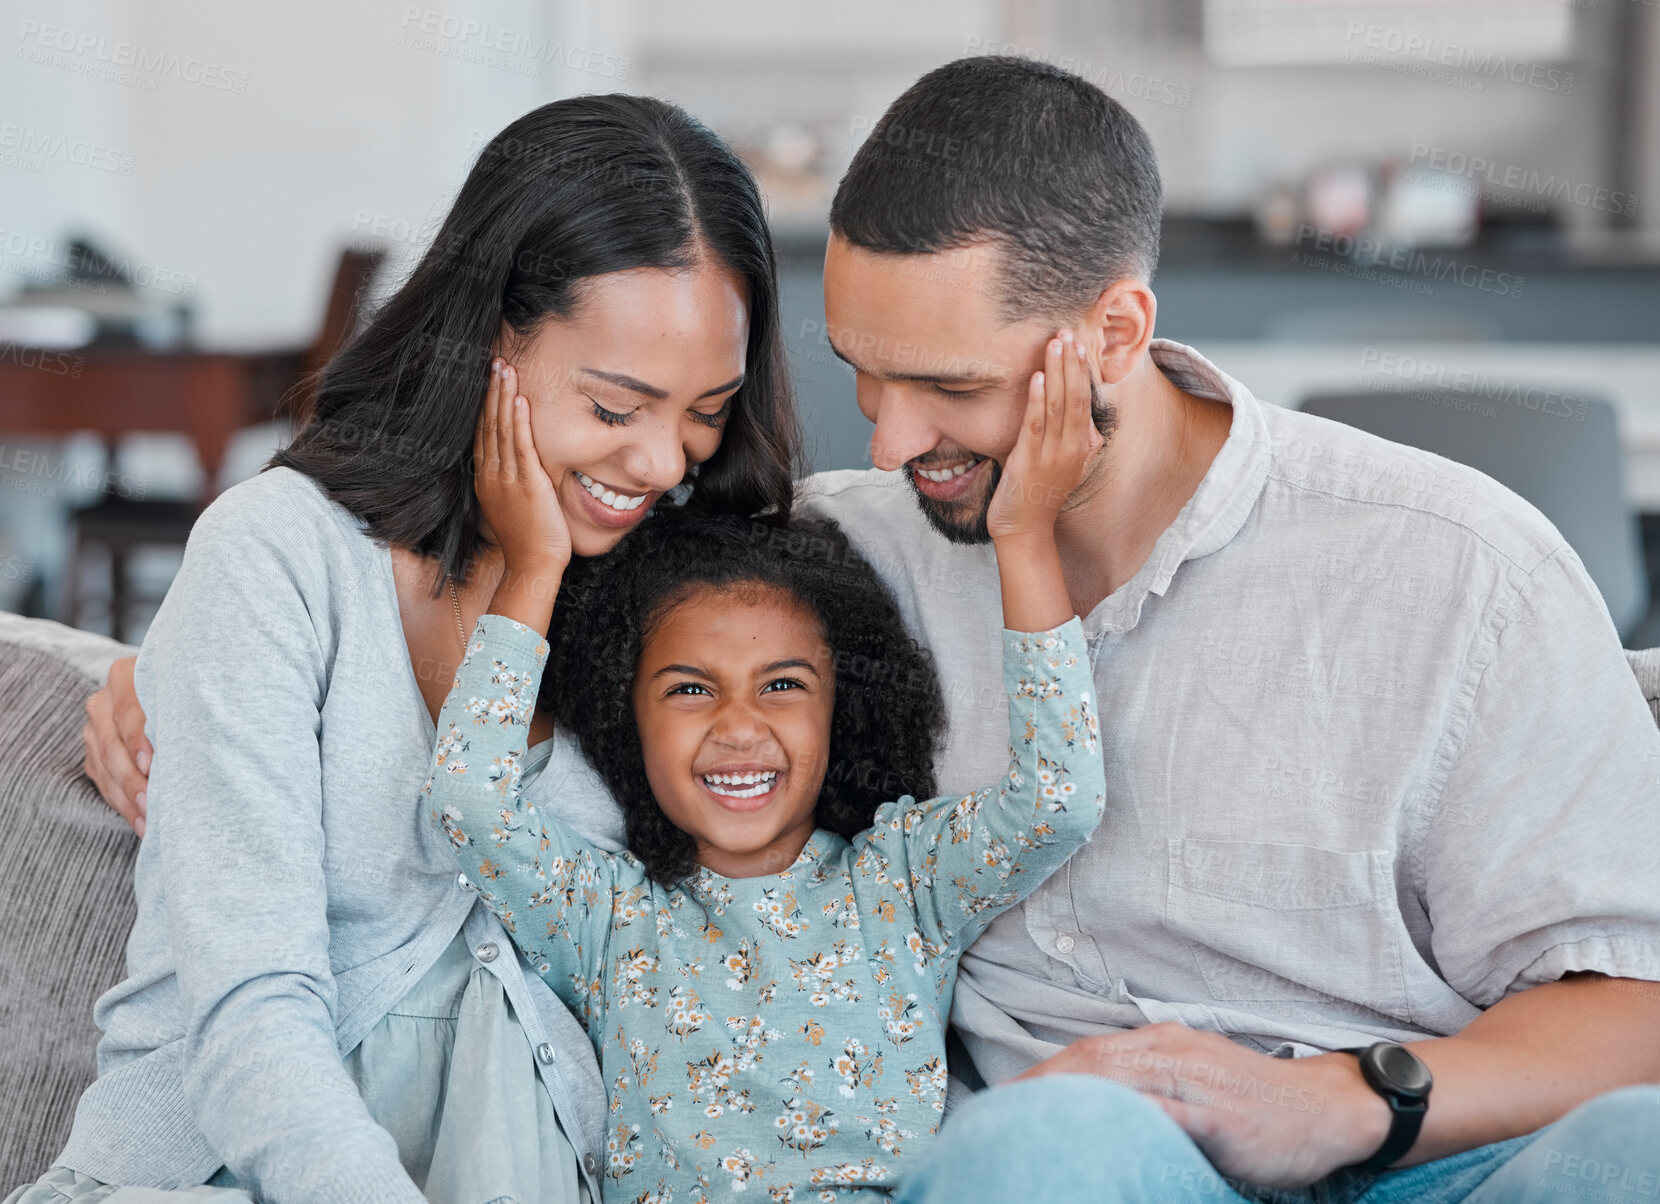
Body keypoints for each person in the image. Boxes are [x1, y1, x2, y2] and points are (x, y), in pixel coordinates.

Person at [85, 56, 1660, 1202]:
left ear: (1117, 330)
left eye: (954, 390)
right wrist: (164, 671)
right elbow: (411, 635)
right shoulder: (845, 551)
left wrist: (1337, 1105)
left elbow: (1640, 1003)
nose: (895, 442)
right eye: (860, 372)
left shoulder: (1458, 570)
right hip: (1066, 1153)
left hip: (1413, 1144)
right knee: (1047, 1149)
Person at [22, 92, 796, 1204]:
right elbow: (252, 1006)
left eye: (706, 410)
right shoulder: (279, 555)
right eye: (616, 406)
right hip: (222, 1166)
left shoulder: (697, 594)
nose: (663, 461)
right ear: (493, 340)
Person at [419, 329, 1103, 1200]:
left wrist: (1024, 535)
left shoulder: (903, 881)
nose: (740, 727)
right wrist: (536, 563)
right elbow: (468, 804)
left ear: (840, 710)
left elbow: (1059, 799)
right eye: (689, 690)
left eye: (782, 684)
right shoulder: (609, 922)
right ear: (629, 724)